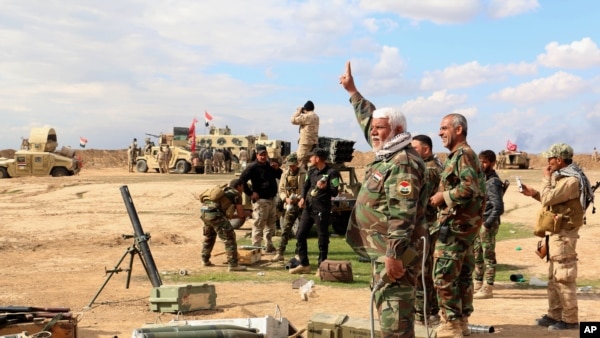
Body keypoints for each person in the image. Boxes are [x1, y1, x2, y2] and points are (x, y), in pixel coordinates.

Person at [340, 61, 427, 337]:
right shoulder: (388, 151)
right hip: (383, 253)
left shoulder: (402, 162)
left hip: (396, 254)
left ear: (397, 130)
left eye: (381, 128)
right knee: (388, 314)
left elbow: (402, 214)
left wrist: (393, 255)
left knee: (395, 324)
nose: (374, 132)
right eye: (374, 128)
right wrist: (353, 92)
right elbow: (368, 121)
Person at [520, 143, 593, 331]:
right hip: (556, 234)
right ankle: (555, 314)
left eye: (550, 159)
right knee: (553, 277)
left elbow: (548, 198)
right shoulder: (564, 178)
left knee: (564, 276)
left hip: (564, 235)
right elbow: (552, 202)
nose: (548, 162)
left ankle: (570, 319)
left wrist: (546, 179)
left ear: (559, 160)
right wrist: (534, 193)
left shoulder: (571, 181)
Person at [429, 113, 486, 338]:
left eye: (444, 128)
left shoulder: (463, 154)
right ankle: (460, 322)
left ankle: (451, 324)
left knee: (443, 276)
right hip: (463, 228)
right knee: (461, 276)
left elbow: (469, 189)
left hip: (455, 228)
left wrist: (443, 196)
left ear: (458, 129)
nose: (440, 132)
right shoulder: (461, 155)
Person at [288, 148, 340, 274]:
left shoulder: (332, 173)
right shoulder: (311, 171)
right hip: (309, 208)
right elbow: (305, 186)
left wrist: (326, 187)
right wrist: (302, 198)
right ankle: (304, 263)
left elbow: (335, 191)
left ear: (317, 158)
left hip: (322, 209)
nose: (310, 159)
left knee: (322, 238)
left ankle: (321, 266)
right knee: (300, 234)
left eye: (312, 157)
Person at [411, 134, 443, 326]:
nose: (412, 152)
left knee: (421, 271)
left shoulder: (429, 171)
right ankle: (431, 311)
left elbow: (420, 202)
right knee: (428, 270)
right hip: (431, 226)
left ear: (426, 150)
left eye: (415, 148)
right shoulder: (434, 166)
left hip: (427, 226)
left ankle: (422, 314)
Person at [473, 150, 505, 299]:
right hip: (480, 222)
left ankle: (488, 286)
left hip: (487, 224)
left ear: (492, 163)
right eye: (480, 161)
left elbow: (498, 207)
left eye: (485, 162)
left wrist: (486, 224)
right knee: (477, 254)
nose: (482, 164)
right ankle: (478, 282)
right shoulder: (483, 178)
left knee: (488, 256)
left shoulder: (493, 182)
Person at [239, 144, 283, 252]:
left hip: (272, 199)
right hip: (261, 200)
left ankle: (269, 246)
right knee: (259, 224)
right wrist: (250, 193)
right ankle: (256, 247)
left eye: (265, 154)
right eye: (261, 155)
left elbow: (280, 176)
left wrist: (277, 169)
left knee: (270, 225)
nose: (263, 157)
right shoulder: (252, 167)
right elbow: (241, 180)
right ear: (257, 155)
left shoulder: (269, 166)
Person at [199, 179, 248, 272]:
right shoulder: (236, 194)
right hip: (215, 214)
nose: (243, 190)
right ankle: (233, 264)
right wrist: (246, 214)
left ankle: (205, 260)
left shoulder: (223, 192)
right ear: (239, 186)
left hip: (205, 212)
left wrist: (235, 215)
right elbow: (241, 214)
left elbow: (224, 214)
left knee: (210, 236)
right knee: (229, 238)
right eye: (242, 187)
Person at [272, 152, 305, 262]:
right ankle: (280, 252)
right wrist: (285, 199)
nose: (291, 167)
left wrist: (299, 198)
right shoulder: (284, 174)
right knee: (285, 229)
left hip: (301, 205)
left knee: (301, 232)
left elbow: (306, 189)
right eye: (290, 165)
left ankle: (298, 253)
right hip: (289, 205)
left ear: (297, 163)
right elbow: (281, 190)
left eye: (293, 165)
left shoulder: (304, 174)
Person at [291, 100, 319, 170]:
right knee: (306, 161)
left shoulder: (307, 116)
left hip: (305, 142)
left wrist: (298, 112)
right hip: (313, 142)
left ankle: (301, 178)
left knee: (300, 160)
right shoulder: (316, 116)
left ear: (306, 109)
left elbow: (293, 120)